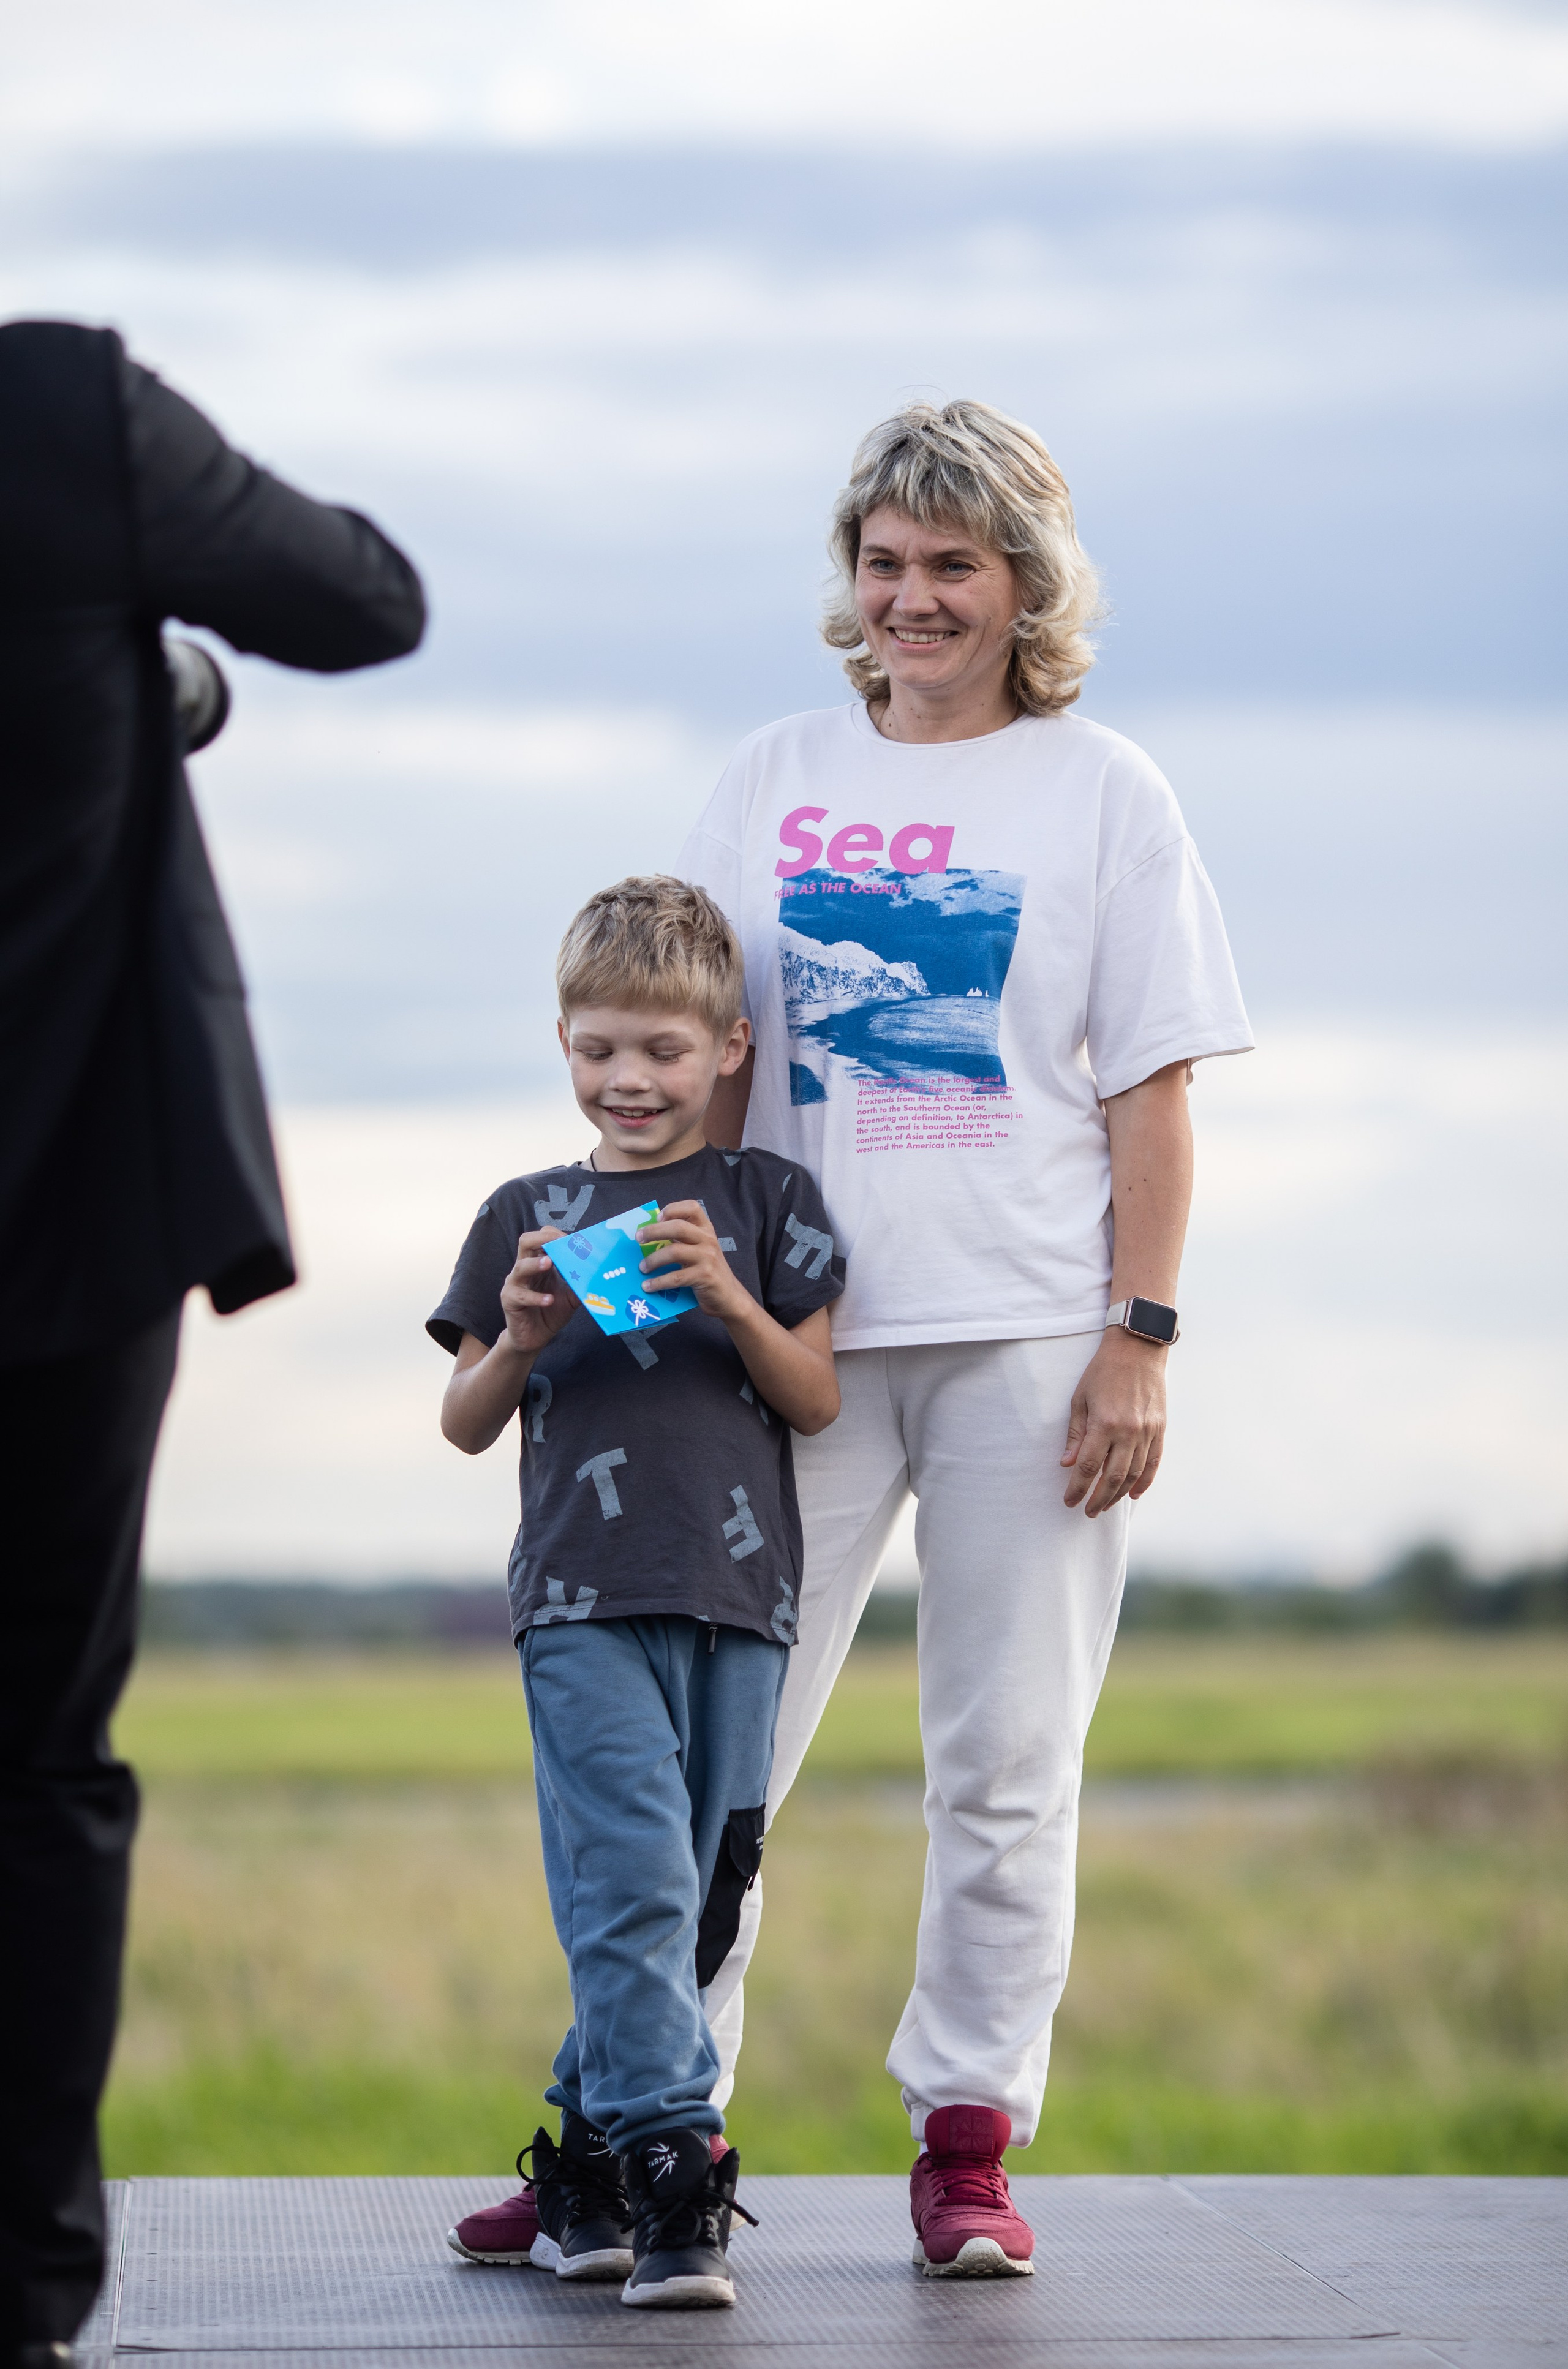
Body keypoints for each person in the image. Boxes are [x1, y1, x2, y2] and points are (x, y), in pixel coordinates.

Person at [677, 399, 1253, 2275]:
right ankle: (645, 2124)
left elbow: (1154, 1091)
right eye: (886, 562)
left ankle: (969, 2136)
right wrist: (637, 1299)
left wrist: (1140, 1336)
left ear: (1024, 586)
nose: (912, 598)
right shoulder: (766, 773)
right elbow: (691, 1061)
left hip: (1030, 1337)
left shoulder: (1106, 793)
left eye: (954, 565)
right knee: (714, 1759)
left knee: (1006, 1761)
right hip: (795, 1337)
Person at [0, 318, 425, 2369]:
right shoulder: (65, 418)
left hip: (72, 1240)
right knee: (38, 1760)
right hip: (60, 1232)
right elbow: (366, 598)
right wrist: (155, 667)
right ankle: (12, 2281)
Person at [429, 878, 843, 2310]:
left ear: (730, 1046)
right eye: (601, 1046)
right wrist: (521, 1337)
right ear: (562, 1043)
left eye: (663, 1050)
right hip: (579, 1597)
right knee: (628, 1885)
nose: (629, 1077)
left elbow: (816, 1395)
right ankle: (676, 2175)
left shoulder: (772, 1202)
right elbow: (464, 1417)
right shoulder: (520, 1216)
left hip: (740, 1597)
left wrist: (729, 1298)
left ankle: (580, 2175)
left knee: (702, 1906)